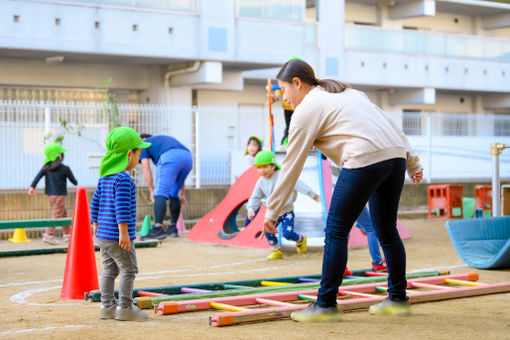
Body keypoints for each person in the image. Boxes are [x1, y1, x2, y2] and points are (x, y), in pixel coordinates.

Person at [262, 59, 423, 322]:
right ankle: (397, 299)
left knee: (336, 231)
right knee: (387, 230)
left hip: (364, 159)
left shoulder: (305, 111)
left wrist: (272, 210)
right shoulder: (347, 92)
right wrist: (412, 162)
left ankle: (325, 304)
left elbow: (291, 165)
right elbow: (390, 124)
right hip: (394, 158)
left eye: (284, 91)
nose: (284, 98)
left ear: (297, 83)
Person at [90, 126, 151, 321]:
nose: (139, 160)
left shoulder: (105, 177)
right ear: (128, 154)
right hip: (118, 236)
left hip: (103, 236)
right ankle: (125, 308)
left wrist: (95, 223)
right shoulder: (123, 179)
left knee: (109, 270)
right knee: (129, 269)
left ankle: (107, 306)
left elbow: (95, 202)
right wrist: (124, 233)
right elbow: (122, 208)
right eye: (138, 154)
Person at [246, 150, 319, 259]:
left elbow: (297, 183)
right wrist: (251, 209)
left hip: (286, 212)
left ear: (273, 166)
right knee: (268, 233)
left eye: (265, 166)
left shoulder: (282, 176)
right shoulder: (261, 182)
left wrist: (312, 194)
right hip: (272, 214)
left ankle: (301, 239)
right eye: (259, 168)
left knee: (288, 234)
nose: (262, 170)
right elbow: (255, 197)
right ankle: (277, 250)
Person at [139, 134, 193, 239]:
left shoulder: (144, 143)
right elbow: (178, 170)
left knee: (159, 193)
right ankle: (173, 228)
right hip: (188, 157)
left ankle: (158, 228)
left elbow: (146, 168)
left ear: (143, 140)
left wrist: (151, 191)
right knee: (174, 193)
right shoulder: (162, 141)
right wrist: (181, 193)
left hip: (170, 157)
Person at [28, 142, 77, 245]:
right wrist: (74, 181)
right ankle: (49, 235)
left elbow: (37, 177)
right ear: (58, 155)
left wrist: (32, 187)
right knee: (56, 215)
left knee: (63, 214)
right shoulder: (65, 168)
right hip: (60, 195)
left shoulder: (46, 167)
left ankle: (67, 234)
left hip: (50, 195)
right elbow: (74, 181)